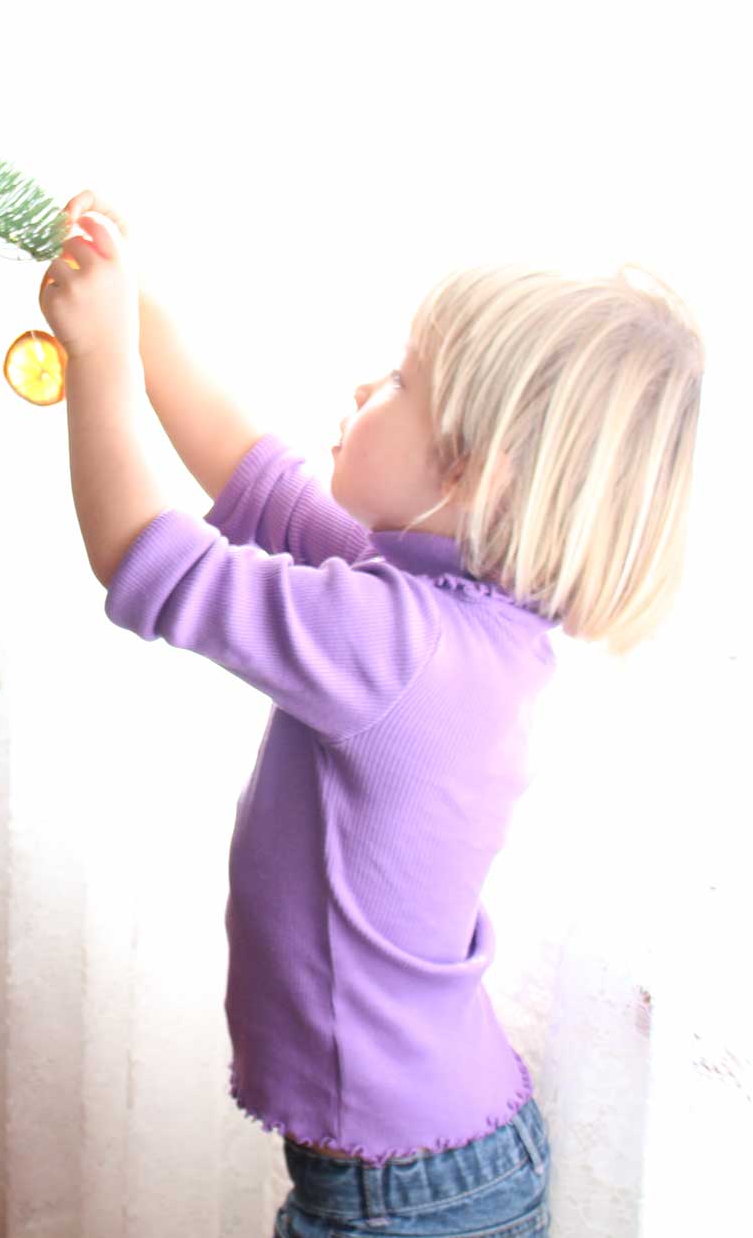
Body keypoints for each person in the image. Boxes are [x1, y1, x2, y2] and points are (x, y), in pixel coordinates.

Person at [40, 192, 704, 1237]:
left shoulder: (404, 650)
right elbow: (249, 469)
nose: (361, 386)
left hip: (401, 1200)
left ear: (473, 470)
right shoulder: (443, 613)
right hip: (438, 1162)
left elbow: (138, 555)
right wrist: (125, 294)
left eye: (399, 378)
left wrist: (99, 359)